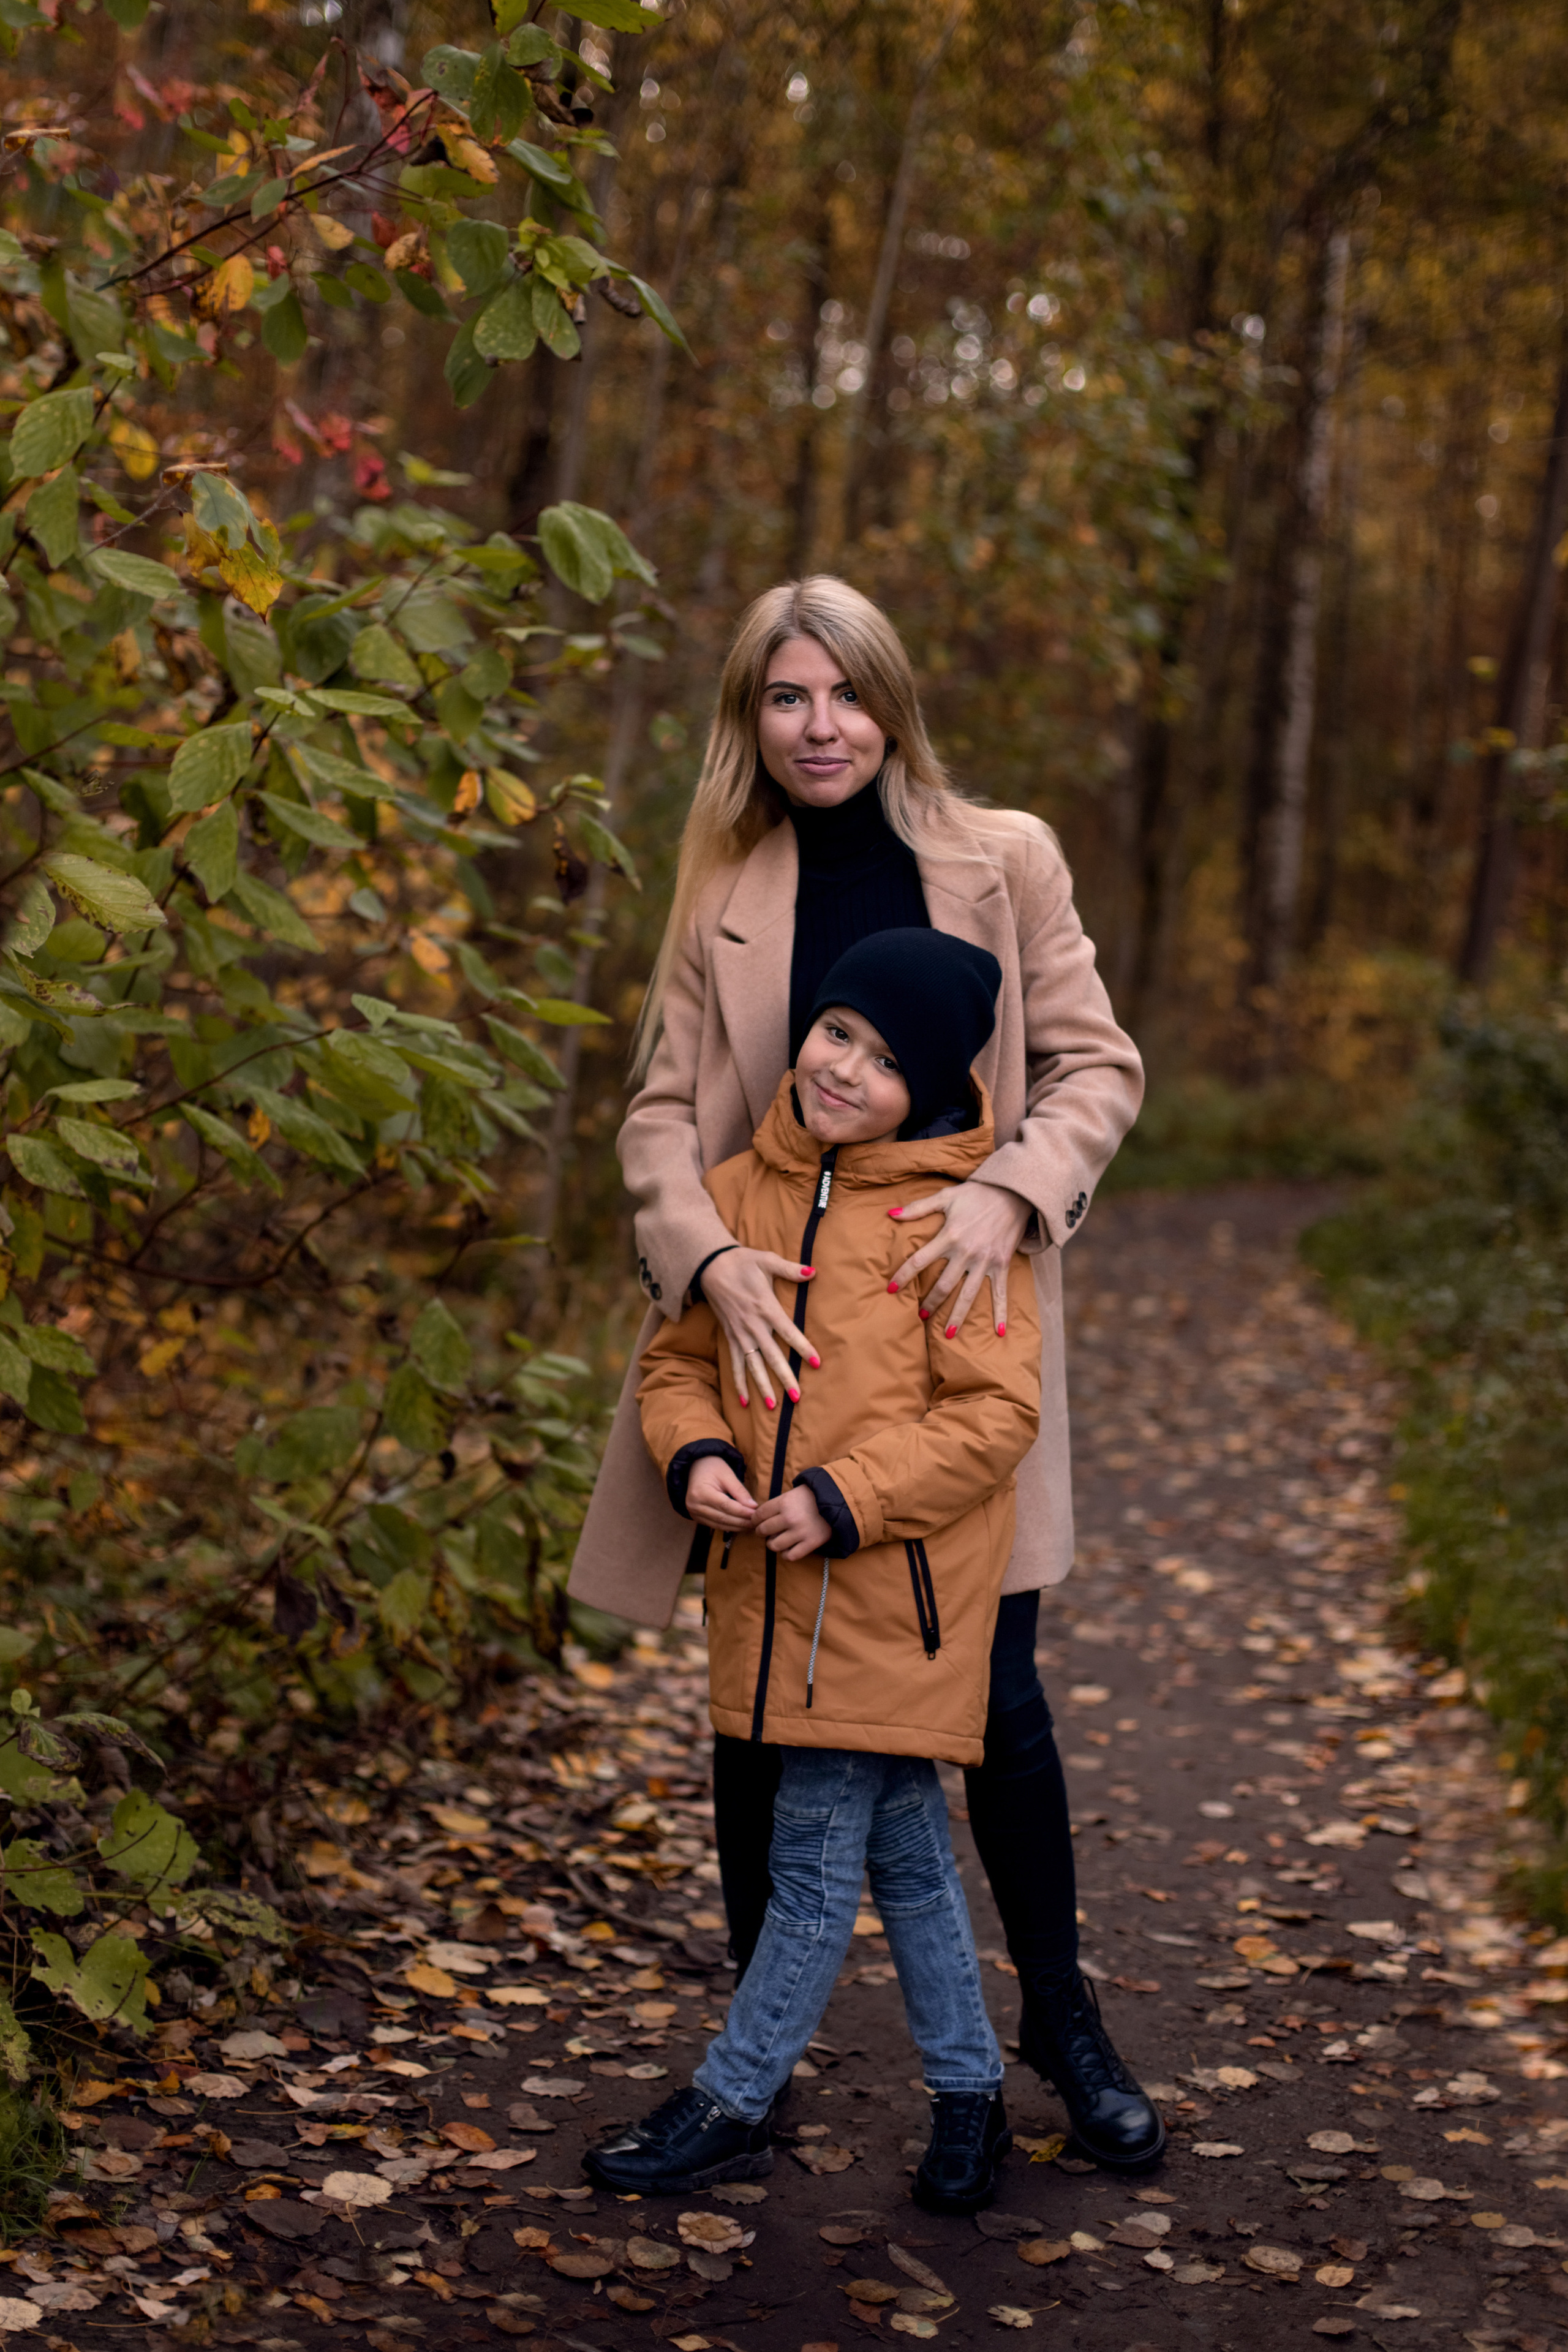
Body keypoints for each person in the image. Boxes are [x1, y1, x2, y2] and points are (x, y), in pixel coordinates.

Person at [569, 576, 1163, 2169]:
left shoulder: (1006, 858)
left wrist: (1006, 1190)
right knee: (759, 1710)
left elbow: (1099, 1061)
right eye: (783, 697)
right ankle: (762, 2074)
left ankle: (1060, 2018)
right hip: (768, 1353)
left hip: (949, 1330)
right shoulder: (726, 887)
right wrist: (700, 1255)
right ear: (746, 722)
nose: (816, 725)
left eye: (843, 693)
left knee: (999, 1698)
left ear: (892, 703)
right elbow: (658, 1112)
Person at [585, 930, 1041, 2212]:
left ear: (934, 1090)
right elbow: (676, 1364)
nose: (846, 1067)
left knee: (807, 1863)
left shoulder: (955, 1225)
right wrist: (698, 1459)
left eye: (887, 1060)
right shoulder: (736, 1194)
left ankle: (730, 2102)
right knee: (902, 1857)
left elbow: (994, 1416)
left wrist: (844, 1499)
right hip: (768, 1589)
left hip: (889, 1588)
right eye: (838, 1030)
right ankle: (969, 2100)